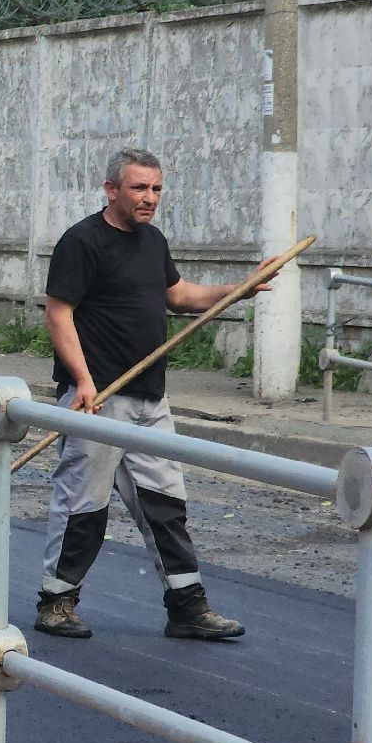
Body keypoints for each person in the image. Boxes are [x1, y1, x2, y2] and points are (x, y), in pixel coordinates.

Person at [36, 148, 273, 642]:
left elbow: (179, 295)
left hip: (149, 398)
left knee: (166, 502)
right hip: (98, 399)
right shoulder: (82, 242)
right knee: (83, 504)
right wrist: (83, 381)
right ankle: (57, 602)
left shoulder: (152, 242)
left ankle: (187, 608)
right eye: (139, 188)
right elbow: (59, 314)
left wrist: (239, 289)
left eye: (157, 189)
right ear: (112, 190)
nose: (149, 198)